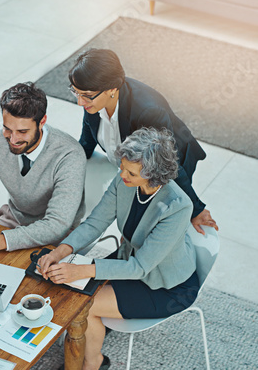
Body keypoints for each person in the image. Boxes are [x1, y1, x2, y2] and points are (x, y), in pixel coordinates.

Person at [39, 128, 200, 370]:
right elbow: (95, 223)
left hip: (165, 285)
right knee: (70, 290)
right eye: (122, 166)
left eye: (130, 172)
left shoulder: (177, 206)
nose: (121, 174)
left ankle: (94, 363)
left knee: (86, 305)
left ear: (153, 174)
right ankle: (96, 335)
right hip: (128, 259)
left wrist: (83, 270)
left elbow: (140, 268)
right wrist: (59, 251)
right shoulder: (124, 180)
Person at [69, 48, 218, 235]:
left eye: (86, 95)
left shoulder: (148, 111)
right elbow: (88, 138)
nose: (80, 102)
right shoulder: (93, 98)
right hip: (132, 166)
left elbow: (170, 164)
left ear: (112, 89)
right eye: (76, 93)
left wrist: (197, 209)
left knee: (146, 222)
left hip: (173, 159)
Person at [0, 82, 86, 254]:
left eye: (22, 132)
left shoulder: (70, 155)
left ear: (42, 122)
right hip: (14, 220)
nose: (13, 139)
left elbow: (57, 224)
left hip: (59, 237)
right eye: (7, 128)